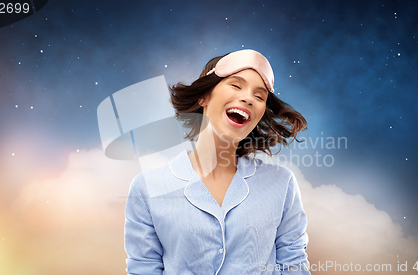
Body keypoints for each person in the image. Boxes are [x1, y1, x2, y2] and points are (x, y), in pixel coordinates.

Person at [124, 49, 311, 274]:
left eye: (259, 96)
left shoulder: (282, 184)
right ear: (203, 96)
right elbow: (144, 268)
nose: (248, 98)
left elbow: (293, 264)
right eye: (236, 85)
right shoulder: (147, 187)